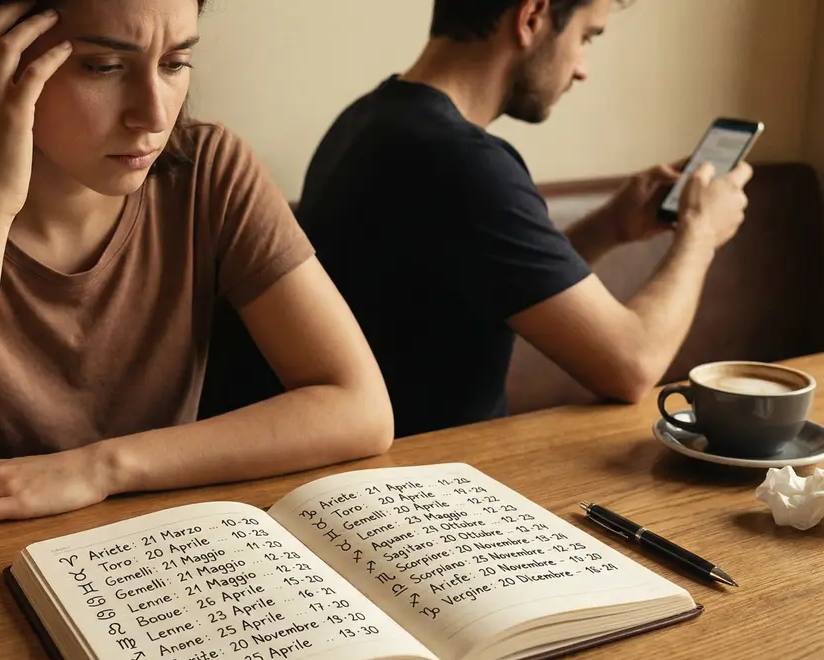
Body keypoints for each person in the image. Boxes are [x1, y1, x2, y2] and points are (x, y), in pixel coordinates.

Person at [0, 0, 394, 565]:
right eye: (103, 66)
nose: (153, 115)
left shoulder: (208, 171)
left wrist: (101, 468)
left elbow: (360, 407)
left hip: (159, 564)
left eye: (175, 63)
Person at [201, 0, 753, 438]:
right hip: (437, 488)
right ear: (532, 17)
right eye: (587, 37)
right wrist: (700, 234)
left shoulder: (372, 118)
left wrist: (609, 226)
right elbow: (632, 364)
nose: (583, 68)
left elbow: (485, 284)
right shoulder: (463, 162)